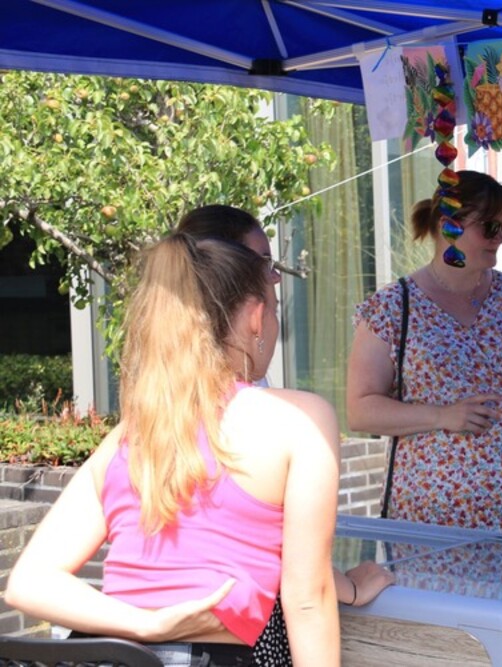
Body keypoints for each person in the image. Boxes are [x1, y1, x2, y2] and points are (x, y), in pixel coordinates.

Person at [7, 231, 342, 666]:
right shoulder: (302, 420)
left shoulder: (132, 433)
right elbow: (308, 599)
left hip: (107, 655)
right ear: (256, 317)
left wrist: (146, 625)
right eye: (274, 310)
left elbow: (28, 583)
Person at [175, 205, 394, 664]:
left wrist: (140, 624)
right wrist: (346, 586)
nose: (275, 276)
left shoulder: (151, 408)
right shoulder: (290, 415)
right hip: (239, 639)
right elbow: (294, 576)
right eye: (264, 261)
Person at [347, 170, 502, 536]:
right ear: (447, 226)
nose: (500, 238)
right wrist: (442, 416)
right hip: (431, 515)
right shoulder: (393, 307)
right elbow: (360, 410)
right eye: (489, 227)